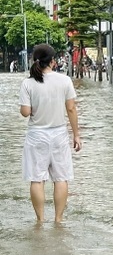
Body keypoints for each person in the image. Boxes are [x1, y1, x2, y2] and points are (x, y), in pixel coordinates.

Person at [19, 43, 82, 223]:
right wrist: (76, 135)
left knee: (36, 179)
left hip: (36, 135)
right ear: (53, 61)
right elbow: (71, 109)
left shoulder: (28, 83)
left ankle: (40, 220)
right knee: (61, 178)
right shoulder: (64, 81)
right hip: (59, 135)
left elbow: (25, 112)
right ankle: (58, 219)